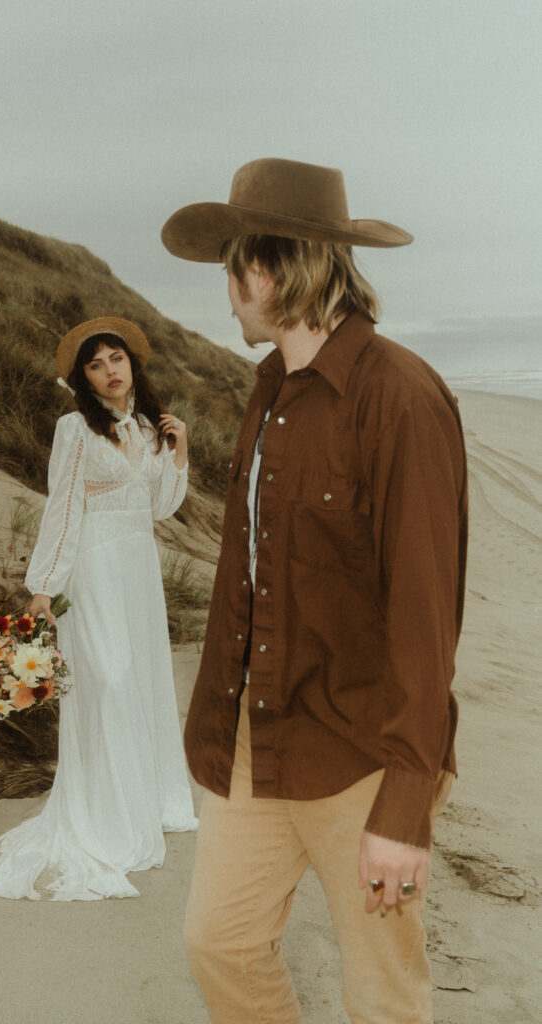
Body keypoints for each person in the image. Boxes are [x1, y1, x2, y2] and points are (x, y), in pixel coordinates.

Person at [161, 159, 468, 1022]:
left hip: (362, 753)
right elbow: (251, 580)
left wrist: (405, 806)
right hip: (258, 737)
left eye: (228, 270)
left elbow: (423, 611)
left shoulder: (399, 398)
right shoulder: (268, 392)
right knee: (218, 943)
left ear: (260, 268)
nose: (226, 298)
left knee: (381, 990)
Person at [0, 316, 197, 901]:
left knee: (142, 677)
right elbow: (64, 506)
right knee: (112, 679)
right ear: (84, 379)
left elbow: (161, 507)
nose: (109, 371)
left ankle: (146, 804)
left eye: (115, 358)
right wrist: (45, 585)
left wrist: (179, 451)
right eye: (95, 365)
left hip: (139, 569)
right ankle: (108, 815)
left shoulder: (149, 426)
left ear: (132, 364)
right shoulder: (75, 428)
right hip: (94, 568)